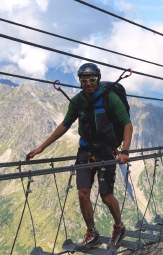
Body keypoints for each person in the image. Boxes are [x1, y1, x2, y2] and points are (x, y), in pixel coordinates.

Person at [25, 63, 133, 251]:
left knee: (106, 196)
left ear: (98, 79)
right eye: (84, 81)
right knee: (83, 193)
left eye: (92, 80)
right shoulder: (78, 101)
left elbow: (127, 124)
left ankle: (119, 227)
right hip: (85, 151)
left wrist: (124, 151)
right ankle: (92, 233)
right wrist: (41, 147)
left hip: (106, 151)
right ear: (80, 82)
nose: (88, 84)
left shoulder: (110, 99)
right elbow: (65, 125)